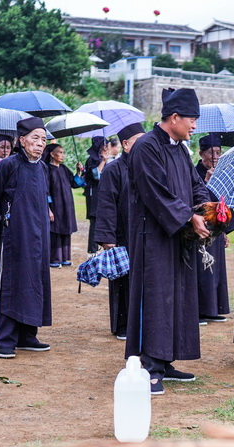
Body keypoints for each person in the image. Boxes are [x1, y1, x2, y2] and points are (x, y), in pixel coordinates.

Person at [126, 88, 211, 395]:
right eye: (192, 120)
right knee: (156, 299)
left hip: (177, 237)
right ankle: (150, 366)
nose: (194, 127)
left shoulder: (179, 149)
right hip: (153, 238)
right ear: (174, 118)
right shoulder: (146, 147)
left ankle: (166, 360)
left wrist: (208, 209)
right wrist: (189, 217)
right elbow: (155, 191)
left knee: (178, 297)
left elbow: (195, 185)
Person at [0, 116, 54, 358]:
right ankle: (1, 340)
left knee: (35, 281)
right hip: (15, 235)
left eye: (43, 139)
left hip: (39, 236)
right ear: (22, 140)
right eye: (35, 138)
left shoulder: (43, 167)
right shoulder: (8, 165)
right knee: (13, 284)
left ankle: (27, 335)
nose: (40, 144)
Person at [94, 122, 145, 341]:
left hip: (144, 234)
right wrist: (107, 239)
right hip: (122, 236)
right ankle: (123, 325)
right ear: (125, 144)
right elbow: (105, 205)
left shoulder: (147, 167)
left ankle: (142, 323)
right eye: (138, 141)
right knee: (123, 282)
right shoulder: (113, 170)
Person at [194, 134, 231, 324]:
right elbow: (197, 201)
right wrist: (207, 183)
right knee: (202, 266)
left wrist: (224, 230)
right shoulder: (194, 173)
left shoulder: (221, 173)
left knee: (216, 268)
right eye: (211, 152)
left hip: (216, 228)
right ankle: (199, 310)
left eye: (218, 152)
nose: (215, 156)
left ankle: (213, 308)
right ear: (201, 154)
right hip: (200, 228)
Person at [44, 143, 79, 267]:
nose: (62, 155)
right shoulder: (47, 169)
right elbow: (45, 190)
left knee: (66, 229)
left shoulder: (64, 168)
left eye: (63, 152)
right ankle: (54, 259)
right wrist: (48, 209)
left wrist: (79, 172)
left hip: (67, 205)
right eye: (60, 152)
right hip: (55, 205)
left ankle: (65, 258)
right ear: (52, 154)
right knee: (56, 231)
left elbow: (75, 184)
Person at [83, 136, 109, 254]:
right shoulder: (92, 160)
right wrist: (103, 161)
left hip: (102, 194)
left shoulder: (103, 159)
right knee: (94, 221)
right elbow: (96, 176)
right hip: (94, 195)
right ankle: (92, 250)